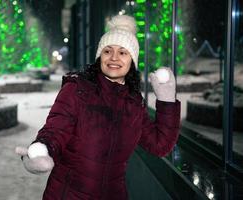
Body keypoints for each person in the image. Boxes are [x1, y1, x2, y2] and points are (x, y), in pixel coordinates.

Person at [16, 14, 180, 200]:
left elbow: (159, 145)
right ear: (99, 56)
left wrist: (167, 101)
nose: (114, 58)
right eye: (107, 51)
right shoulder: (78, 90)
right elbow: (55, 130)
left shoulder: (133, 104)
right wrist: (42, 149)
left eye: (123, 52)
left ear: (132, 61)